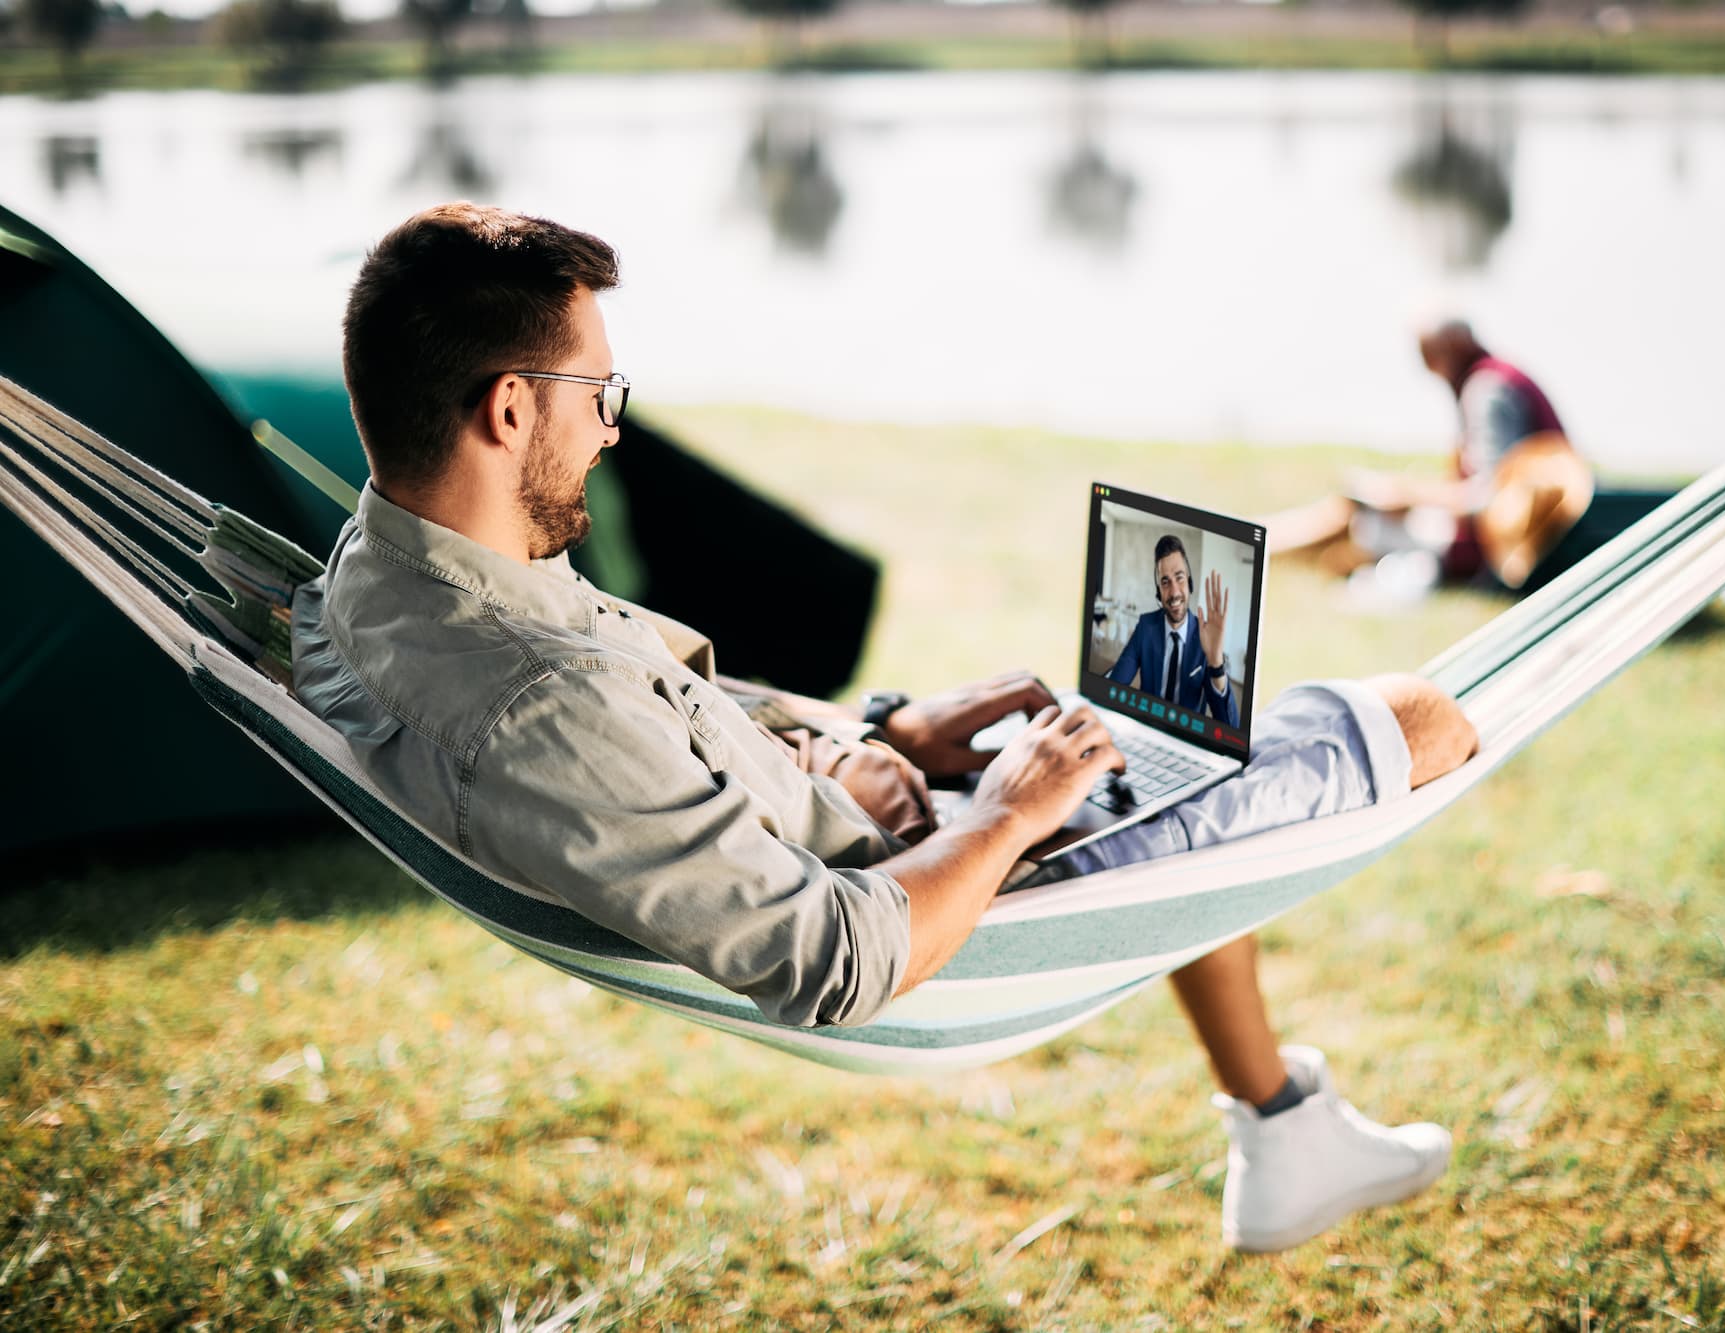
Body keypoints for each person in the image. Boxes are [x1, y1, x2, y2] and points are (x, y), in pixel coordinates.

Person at [290, 203, 1481, 1254]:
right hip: (936, 903)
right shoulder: (532, 701)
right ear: (508, 407)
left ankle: (1279, 1126)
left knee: (1154, 760)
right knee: (1411, 716)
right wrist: (1014, 810)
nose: (610, 428)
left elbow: (659, 727)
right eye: (600, 395)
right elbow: (834, 958)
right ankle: (1281, 1126)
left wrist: (886, 731)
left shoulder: (385, 571)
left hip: (873, 807)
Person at [1264, 317, 1571, 583]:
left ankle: (1261, 549)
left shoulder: (1487, 391)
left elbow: (1491, 497)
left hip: (1498, 548)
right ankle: (1263, 542)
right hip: (1502, 537)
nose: (1425, 364)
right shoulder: (1497, 377)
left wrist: (1407, 495)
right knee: (1353, 517)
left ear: (1453, 343)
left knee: (1358, 518)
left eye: (1428, 351)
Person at [1104, 534, 1239, 727]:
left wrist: (1216, 662)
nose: (1174, 592)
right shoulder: (1145, 626)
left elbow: (1229, 726)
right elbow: (1115, 685)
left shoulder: (1205, 637)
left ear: (1190, 583)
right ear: (1159, 591)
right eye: (1165, 582)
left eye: (1180, 578)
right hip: (1146, 729)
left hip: (1187, 739)